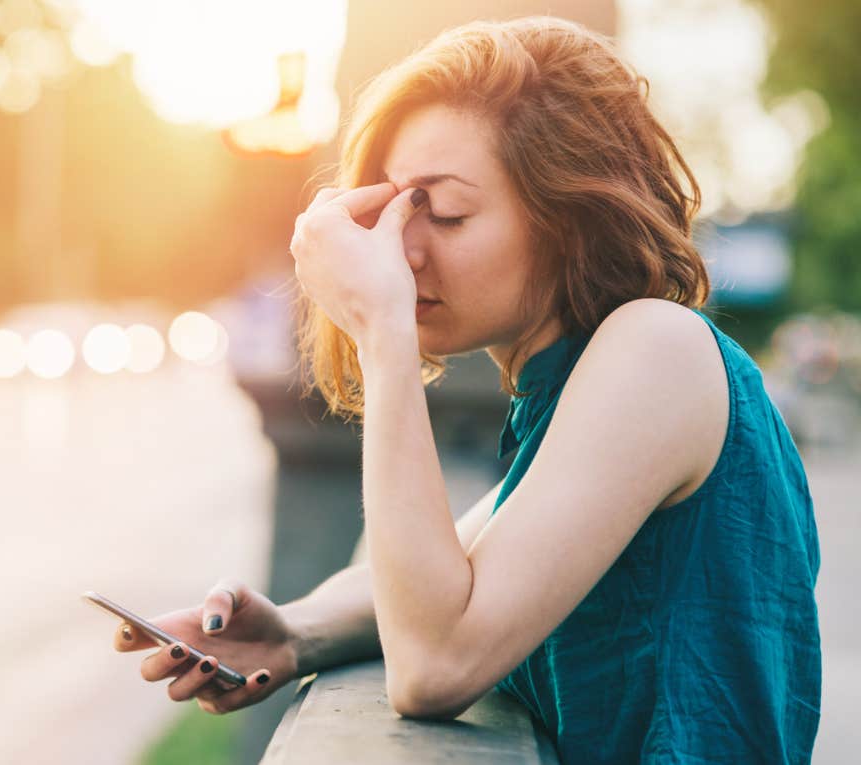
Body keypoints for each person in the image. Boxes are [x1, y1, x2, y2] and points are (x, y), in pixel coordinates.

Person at [110, 16, 821, 764]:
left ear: (568, 216)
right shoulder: (571, 390)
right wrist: (292, 630)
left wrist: (380, 330)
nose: (402, 250)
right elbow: (464, 558)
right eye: (389, 212)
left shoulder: (657, 348)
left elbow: (434, 664)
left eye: (443, 212)